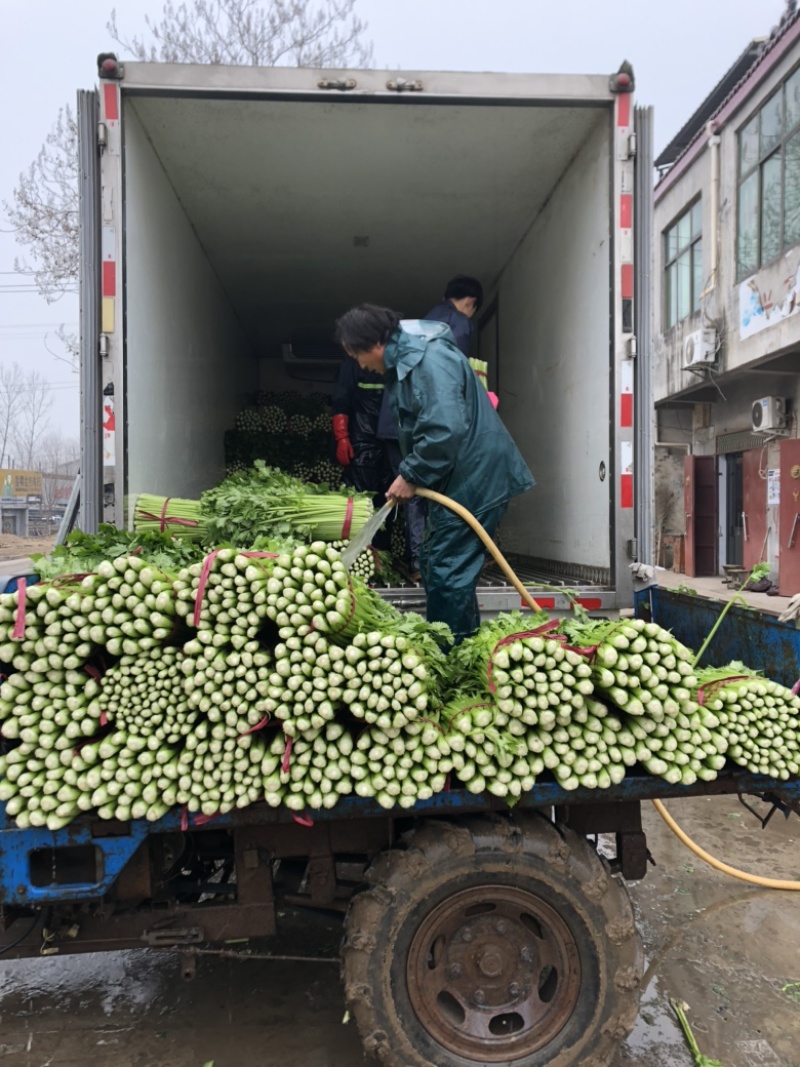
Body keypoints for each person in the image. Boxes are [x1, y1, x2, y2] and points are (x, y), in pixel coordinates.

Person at [334, 304, 535, 643]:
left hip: (476, 480)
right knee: (434, 563)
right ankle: (463, 644)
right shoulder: (409, 361)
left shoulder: (427, 360)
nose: (360, 364)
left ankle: (452, 659)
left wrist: (410, 474)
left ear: (374, 344)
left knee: (447, 572)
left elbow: (443, 430)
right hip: (458, 479)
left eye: (356, 355)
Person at [423, 275, 483, 357]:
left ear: (444, 298)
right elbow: (456, 360)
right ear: (470, 303)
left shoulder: (431, 315)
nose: (468, 317)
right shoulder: (460, 320)